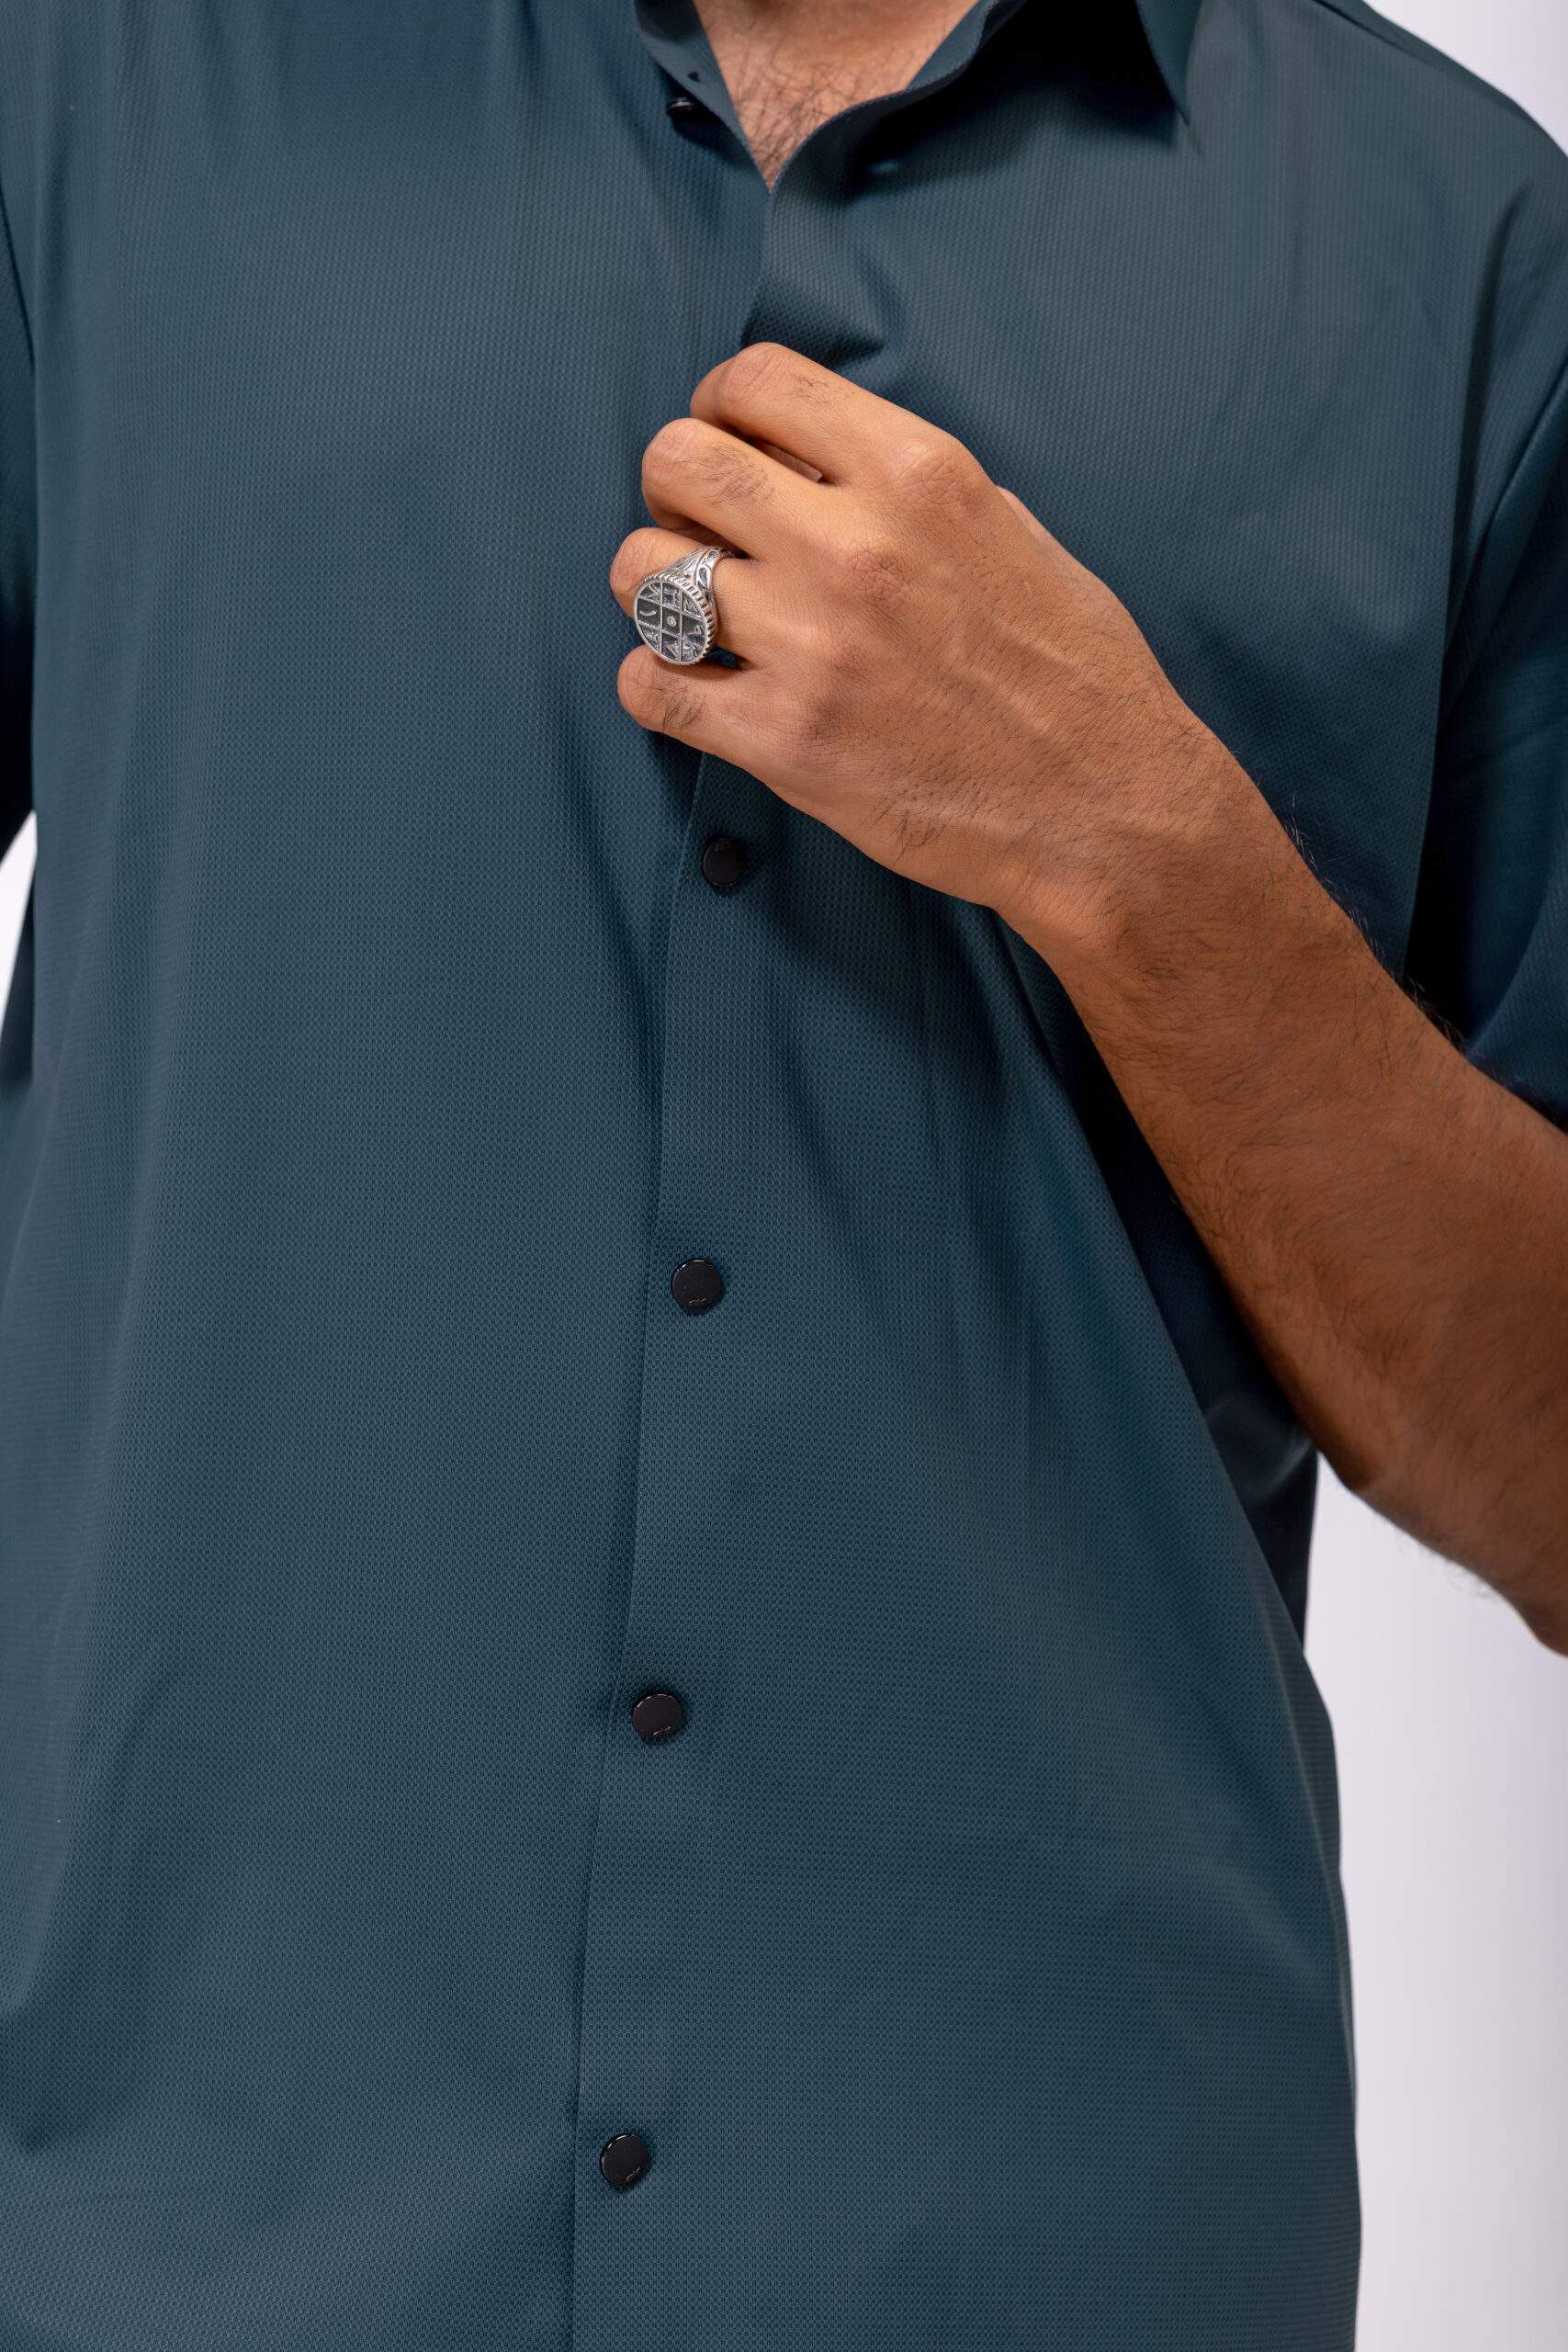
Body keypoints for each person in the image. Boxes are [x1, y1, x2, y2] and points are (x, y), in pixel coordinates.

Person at [0, 0, 1563, 2343]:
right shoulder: (91, 91)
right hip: (175, 2248)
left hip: (1060, 2261)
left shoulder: (1462, 258)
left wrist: (1131, 842)